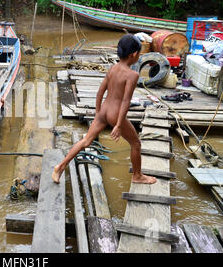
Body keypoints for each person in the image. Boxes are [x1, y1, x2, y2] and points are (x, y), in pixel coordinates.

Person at [51, 34, 157, 185]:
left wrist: (98, 112)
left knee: (86, 140)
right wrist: (119, 125)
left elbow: (100, 91)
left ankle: (60, 167)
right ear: (134, 54)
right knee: (136, 144)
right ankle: (137, 176)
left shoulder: (113, 68)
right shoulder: (132, 75)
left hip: (104, 111)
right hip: (115, 114)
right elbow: (126, 101)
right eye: (138, 54)